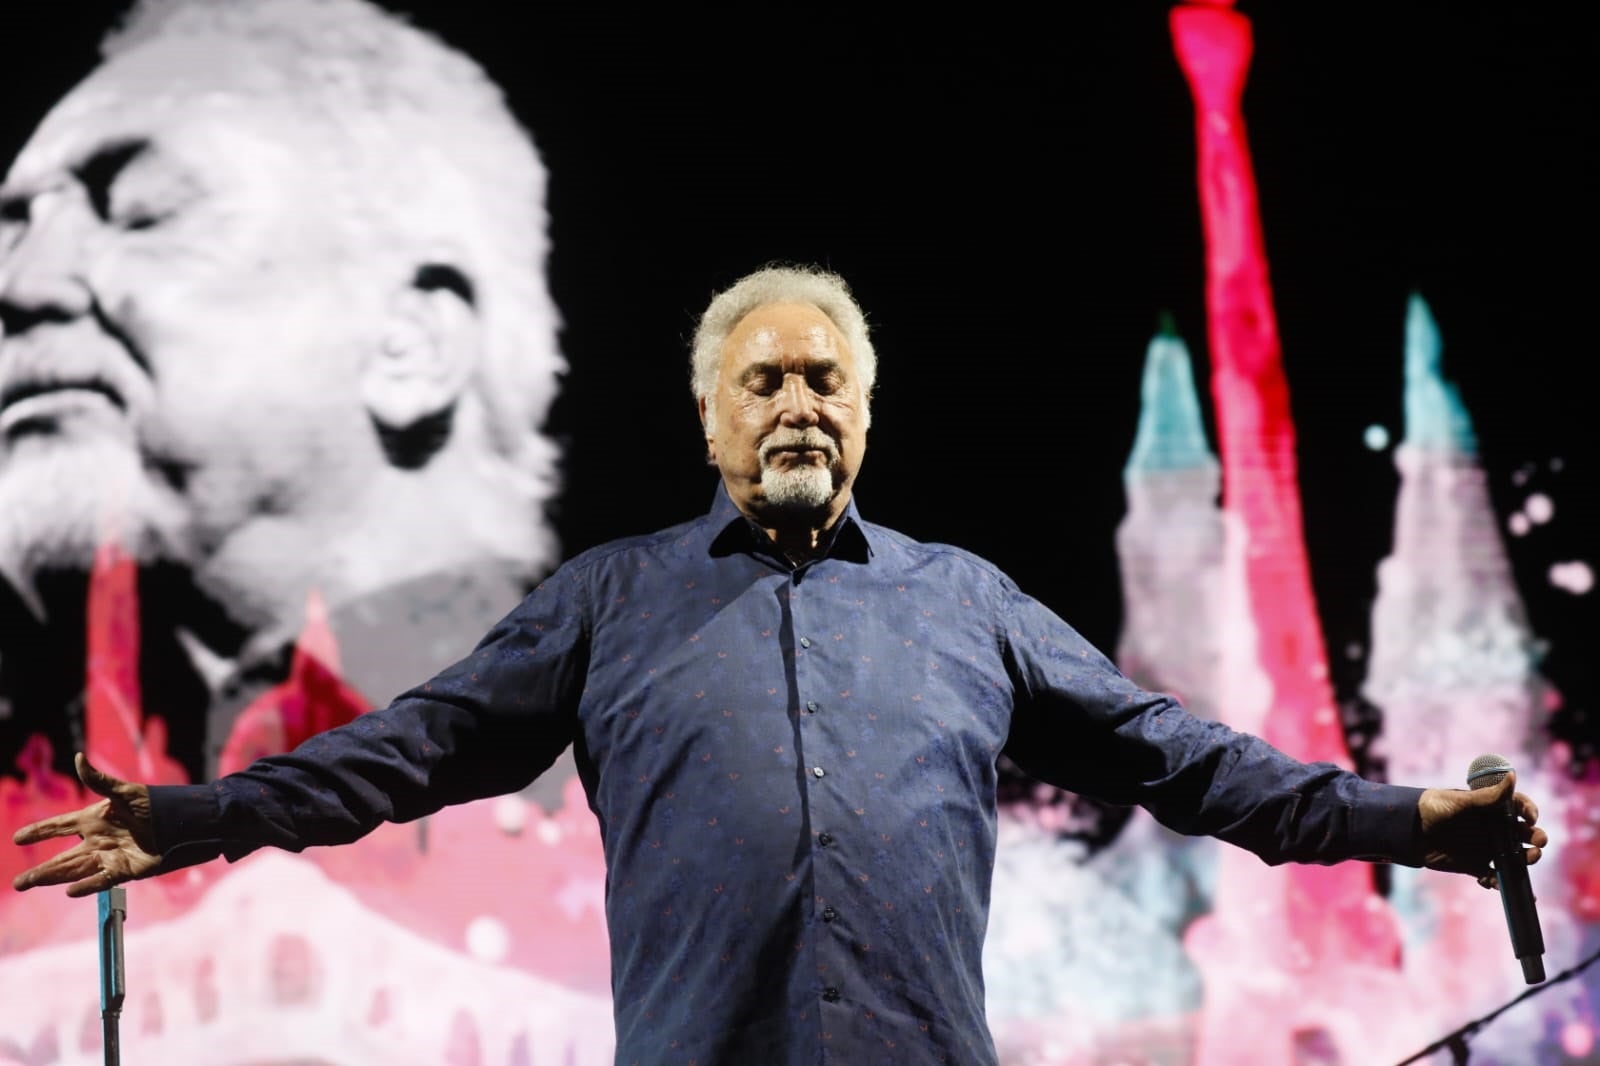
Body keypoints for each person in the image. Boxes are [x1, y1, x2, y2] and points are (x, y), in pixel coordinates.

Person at [12, 265, 1548, 1066]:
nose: (800, 400)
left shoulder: (972, 605)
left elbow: (1190, 760)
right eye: (767, 378)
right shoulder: (610, 603)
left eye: (829, 377)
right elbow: (402, 750)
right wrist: (190, 819)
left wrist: (1416, 821)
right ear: (713, 417)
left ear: (866, 413)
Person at [0, 0, 562, 781]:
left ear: (412, 344)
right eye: (11, 229)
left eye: (140, 211)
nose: (21, 283)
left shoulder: (633, 752)